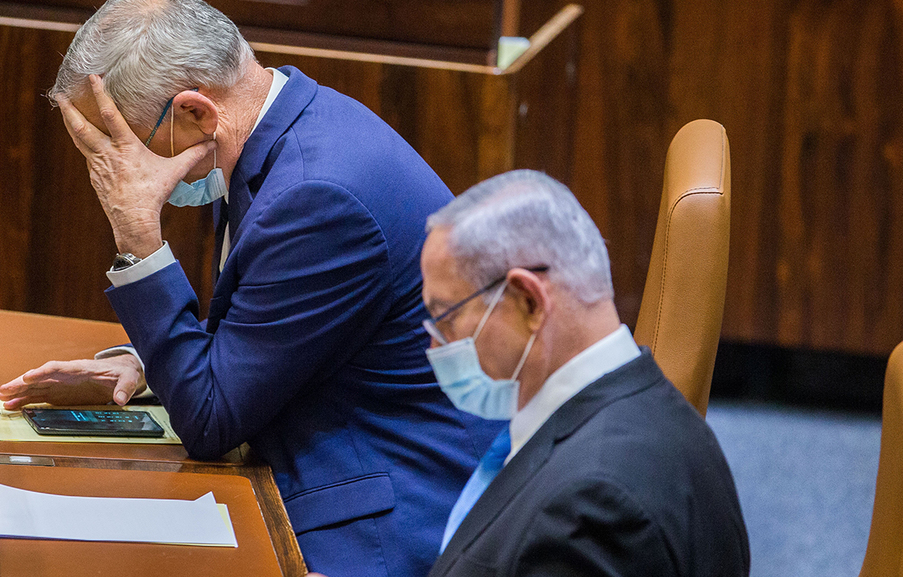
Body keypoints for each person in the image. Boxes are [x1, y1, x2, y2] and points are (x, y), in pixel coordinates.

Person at [0, 1, 499, 575]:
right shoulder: (280, 131)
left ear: (195, 112)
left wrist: (136, 233)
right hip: (322, 443)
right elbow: (272, 326)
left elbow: (210, 420)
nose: (111, 171)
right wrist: (146, 364)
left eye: (121, 146)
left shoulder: (317, 196)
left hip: (383, 511)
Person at [312, 170, 750, 576]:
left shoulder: (592, 509)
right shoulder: (659, 414)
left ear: (529, 302)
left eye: (446, 317)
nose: (434, 346)